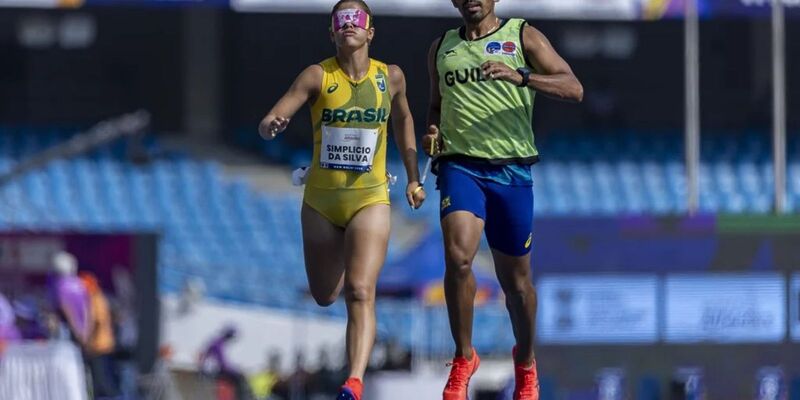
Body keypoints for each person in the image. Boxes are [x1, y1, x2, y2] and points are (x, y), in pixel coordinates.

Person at [258, 1, 425, 398]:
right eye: (341, 20)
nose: (349, 25)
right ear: (332, 33)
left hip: (370, 199)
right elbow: (273, 118)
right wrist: (272, 125)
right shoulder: (317, 75)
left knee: (361, 290)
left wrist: (413, 177)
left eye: (357, 19)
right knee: (324, 294)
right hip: (321, 203)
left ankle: (354, 381)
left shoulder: (392, 77)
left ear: (370, 32)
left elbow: (403, 121)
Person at [423, 1, 583, 399]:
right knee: (458, 257)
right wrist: (430, 133)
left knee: (517, 284)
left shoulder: (522, 34)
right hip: (460, 166)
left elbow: (573, 87)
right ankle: (464, 359)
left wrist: (522, 77)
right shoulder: (441, 47)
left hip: (511, 170)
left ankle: (526, 361)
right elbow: (435, 106)